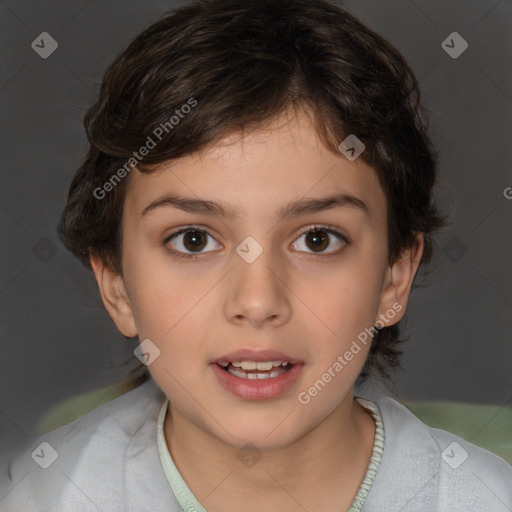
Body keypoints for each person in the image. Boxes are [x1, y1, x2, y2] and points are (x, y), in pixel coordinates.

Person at [1, 0, 510, 510]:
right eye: (194, 240)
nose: (258, 300)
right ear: (115, 283)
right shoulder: (39, 495)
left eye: (317, 239)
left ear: (394, 278)